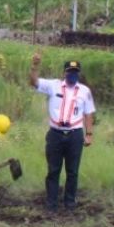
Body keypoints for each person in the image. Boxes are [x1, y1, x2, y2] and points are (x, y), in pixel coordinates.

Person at [29, 53, 96, 212]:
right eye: (69, 72)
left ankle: (70, 204)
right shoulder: (54, 86)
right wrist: (35, 66)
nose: (72, 74)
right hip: (56, 134)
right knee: (53, 170)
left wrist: (89, 134)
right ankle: (51, 205)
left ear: (78, 74)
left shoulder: (84, 91)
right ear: (64, 73)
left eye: (75, 72)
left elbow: (88, 114)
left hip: (74, 134)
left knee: (72, 172)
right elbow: (34, 82)